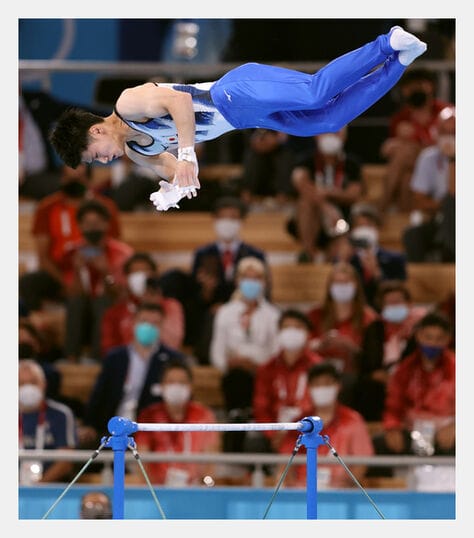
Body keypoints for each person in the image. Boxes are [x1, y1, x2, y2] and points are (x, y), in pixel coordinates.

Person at [49, 26, 427, 211]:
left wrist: (186, 154)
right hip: (245, 119)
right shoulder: (137, 152)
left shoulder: (129, 103)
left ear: (96, 130)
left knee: (315, 92)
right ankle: (401, 61)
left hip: (234, 91)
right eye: (96, 162)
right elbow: (178, 170)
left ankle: (386, 42)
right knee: (326, 121)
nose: (102, 161)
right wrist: (172, 191)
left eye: (94, 153)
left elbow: (179, 102)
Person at [78, 302, 187, 448]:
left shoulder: (172, 360)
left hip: (150, 433)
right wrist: (89, 424)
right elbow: (99, 394)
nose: (149, 327)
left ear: (162, 327)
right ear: (134, 323)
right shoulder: (115, 357)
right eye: (144, 321)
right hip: (111, 429)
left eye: (155, 323)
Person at [209, 256, 280, 451]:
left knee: (257, 381)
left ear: (264, 282)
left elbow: (276, 351)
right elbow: (217, 351)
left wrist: (257, 365)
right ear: (238, 281)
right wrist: (230, 363)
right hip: (235, 374)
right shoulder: (226, 313)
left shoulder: (272, 315)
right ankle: (237, 428)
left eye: (257, 278)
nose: (251, 283)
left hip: (263, 373)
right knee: (237, 379)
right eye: (247, 278)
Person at [371, 311, 455, 476]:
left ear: (447, 339)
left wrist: (457, 427)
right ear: (418, 336)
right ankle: (389, 498)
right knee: (378, 445)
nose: (432, 343)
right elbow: (393, 406)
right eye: (428, 337)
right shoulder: (405, 369)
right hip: (412, 433)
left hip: (447, 434)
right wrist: (393, 428)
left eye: (439, 339)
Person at [57, 198, 134, 362]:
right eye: (88, 223)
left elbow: (121, 296)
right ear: (80, 226)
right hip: (82, 310)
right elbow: (71, 293)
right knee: (75, 303)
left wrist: (106, 272)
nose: (92, 228)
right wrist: (78, 271)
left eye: (97, 223)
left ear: (106, 225)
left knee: (102, 302)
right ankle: (71, 357)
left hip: (110, 307)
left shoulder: (122, 254)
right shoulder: (71, 253)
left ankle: (97, 358)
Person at [278, 362, 374, 489]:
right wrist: (292, 489)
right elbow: (285, 463)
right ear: (309, 388)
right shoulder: (301, 424)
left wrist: (345, 488)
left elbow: (362, 463)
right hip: (303, 492)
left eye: (327, 383)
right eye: (317, 384)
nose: (322, 388)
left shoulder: (353, 421)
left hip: (340, 493)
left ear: (338, 386)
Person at [31, 163, 122, 285]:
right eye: (70, 179)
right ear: (62, 179)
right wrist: (65, 283)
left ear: (88, 180)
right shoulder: (46, 207)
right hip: (59, 272)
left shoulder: (106, 207)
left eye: (79, 179)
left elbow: (114, 246)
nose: (74, 184)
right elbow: (43, 257)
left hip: (98, 269)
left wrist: (104, 272)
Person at [133, 359, 220, 486]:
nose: (176, 387)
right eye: (171, 382)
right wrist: (151, 490)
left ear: (190, 386)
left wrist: (206, 485)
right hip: (158, 489)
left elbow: (211, 459)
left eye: (182, 382)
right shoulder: (148, 416)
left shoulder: (204, 415)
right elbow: (141, 460)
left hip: (196, 489)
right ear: (161, 386)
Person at [251, 309, 324, 457]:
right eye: (287, 327)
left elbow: (320, 405)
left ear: (308, 333)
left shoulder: (318, 367)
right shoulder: (267, 368)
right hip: (275, 429)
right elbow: (261, 407)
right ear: (279, 333)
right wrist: (273, 433)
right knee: (254, 442)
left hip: (308, 427)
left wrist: (292, 433)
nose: (292, 332)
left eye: (297, 327)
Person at [379, 68, 452, 212]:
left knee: (406, 151)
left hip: (441, 165)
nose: (414, 89)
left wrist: (417, 144)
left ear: (431, 86)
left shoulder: (447, 113)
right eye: (409, 86)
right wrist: (392, 144)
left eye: (419, 84)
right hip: (413, 168)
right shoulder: (400, 119)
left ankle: (381, 207)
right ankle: (407, 224)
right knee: (406, 179)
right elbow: (386, 152)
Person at [353, 280, 428, 421]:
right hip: (380, 383)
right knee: (368, 389)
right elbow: (368, 365)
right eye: (389, 303)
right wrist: (384, 377)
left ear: (409, 304)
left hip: (412, 379)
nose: (394, 306)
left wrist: (398, 379)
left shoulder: (420, 329)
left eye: (398, 301)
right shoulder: (375, 329)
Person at [287, 125, 364, 263]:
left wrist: (329, 192)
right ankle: (308, 251)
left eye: (335, 132)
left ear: (344, 137)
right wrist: (325, 207)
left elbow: (353, 194)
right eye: (325, 132)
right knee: (306, 202)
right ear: (316, 135)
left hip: (341, 220)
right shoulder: (306, 160)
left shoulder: (351, 163)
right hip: (312, 219)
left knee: (339, 253)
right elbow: (300, 183)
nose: (330, 136)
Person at [306, 261, 378, 406]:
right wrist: (320, 344)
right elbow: (304, 346)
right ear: (330, 286)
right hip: (319, 371)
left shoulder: (369, 318)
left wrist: (351, 347)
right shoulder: (315, 314)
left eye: (346, 282)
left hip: (353, 376)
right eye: (337, 282)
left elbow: (373, 356)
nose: (342, 286)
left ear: (356, 285)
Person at [100, 252, 185, 356]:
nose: (140, 277)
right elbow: (109, 349)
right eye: (135, 272)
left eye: (145, 271)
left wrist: (154, 306)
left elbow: (172, 344)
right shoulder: (115, 312)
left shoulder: (171, 306)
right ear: (126, 278)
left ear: (154, 275)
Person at [402, 106, 456, 262]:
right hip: (439, 216)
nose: (450, 137)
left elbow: (455, 193)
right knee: (412, 235)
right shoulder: (428, 158)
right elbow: (419, 200)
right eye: (445, 132)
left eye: (454, 133)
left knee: (451, 205)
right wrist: (442, 206)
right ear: (436, 133)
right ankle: (419, 280)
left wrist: (454, 158)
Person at [19, 359, 77, 484]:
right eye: (21, 383)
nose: (27, 388)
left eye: (33, 382)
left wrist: (38, 486)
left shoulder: (60, 414)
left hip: (50, 488)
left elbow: (65, 462)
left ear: (44, 384)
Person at [347, 202, 408, 308]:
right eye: (360, 226)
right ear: (353, 230)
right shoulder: (346, 260)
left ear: (377, 229)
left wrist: (377, 274)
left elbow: (399, 293)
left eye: (368, 225)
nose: (364, 230)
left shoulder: (396, 259)